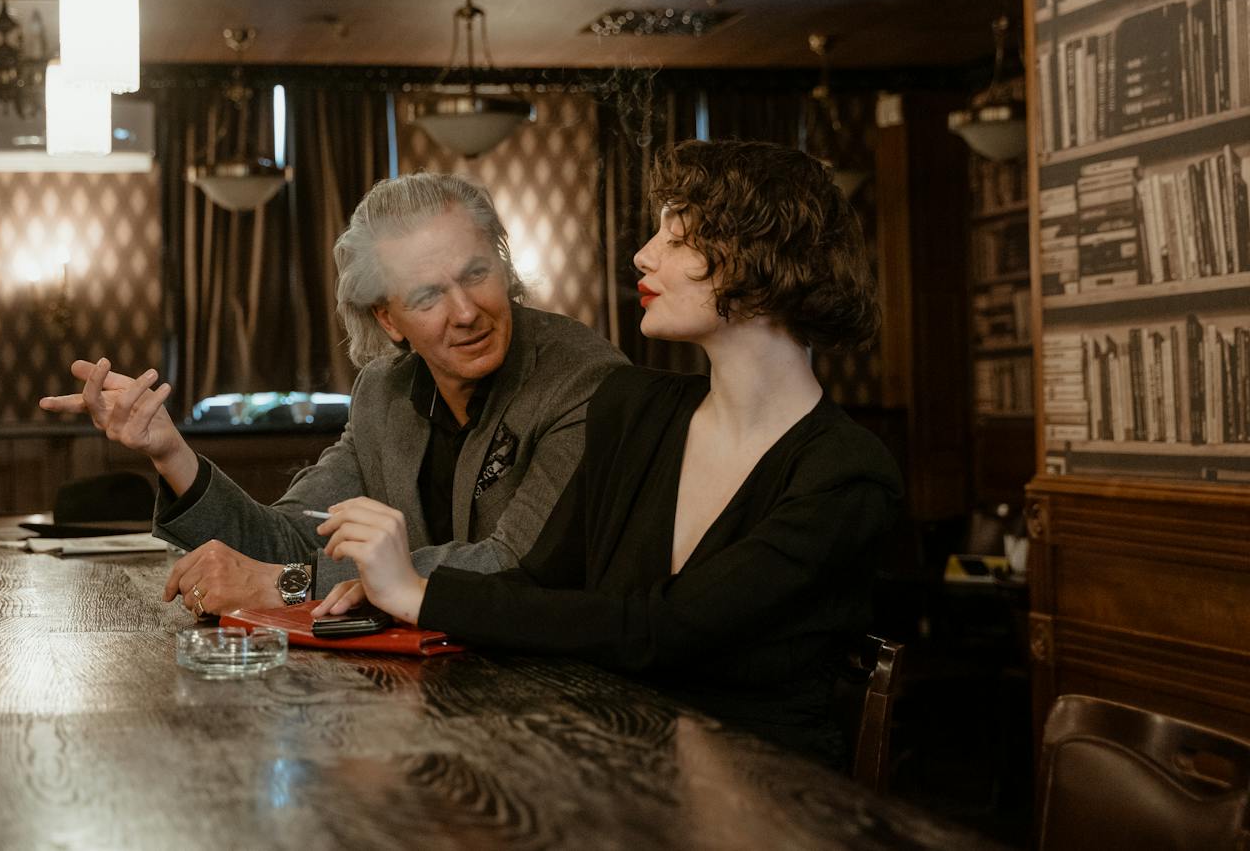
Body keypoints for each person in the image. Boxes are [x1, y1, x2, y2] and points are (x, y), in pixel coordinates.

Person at [312, 139, 903, 765]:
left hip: (763, 788)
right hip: (609, 755)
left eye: (676, 237)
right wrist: (380, 590)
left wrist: (417, 594)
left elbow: (664, 631)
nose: (643, 254)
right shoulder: (635, 406)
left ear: (759, 258)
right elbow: (536, 577)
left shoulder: (847, 473)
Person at [40, 172, 625, 615]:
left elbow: (519, 563)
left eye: (476, 274)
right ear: (389, 320)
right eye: (428, 297)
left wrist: (285, 585)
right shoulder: (384, 392)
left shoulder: (583, 376)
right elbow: (288, 539)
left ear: (502, 265)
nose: (466, 312)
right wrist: (170, 453)